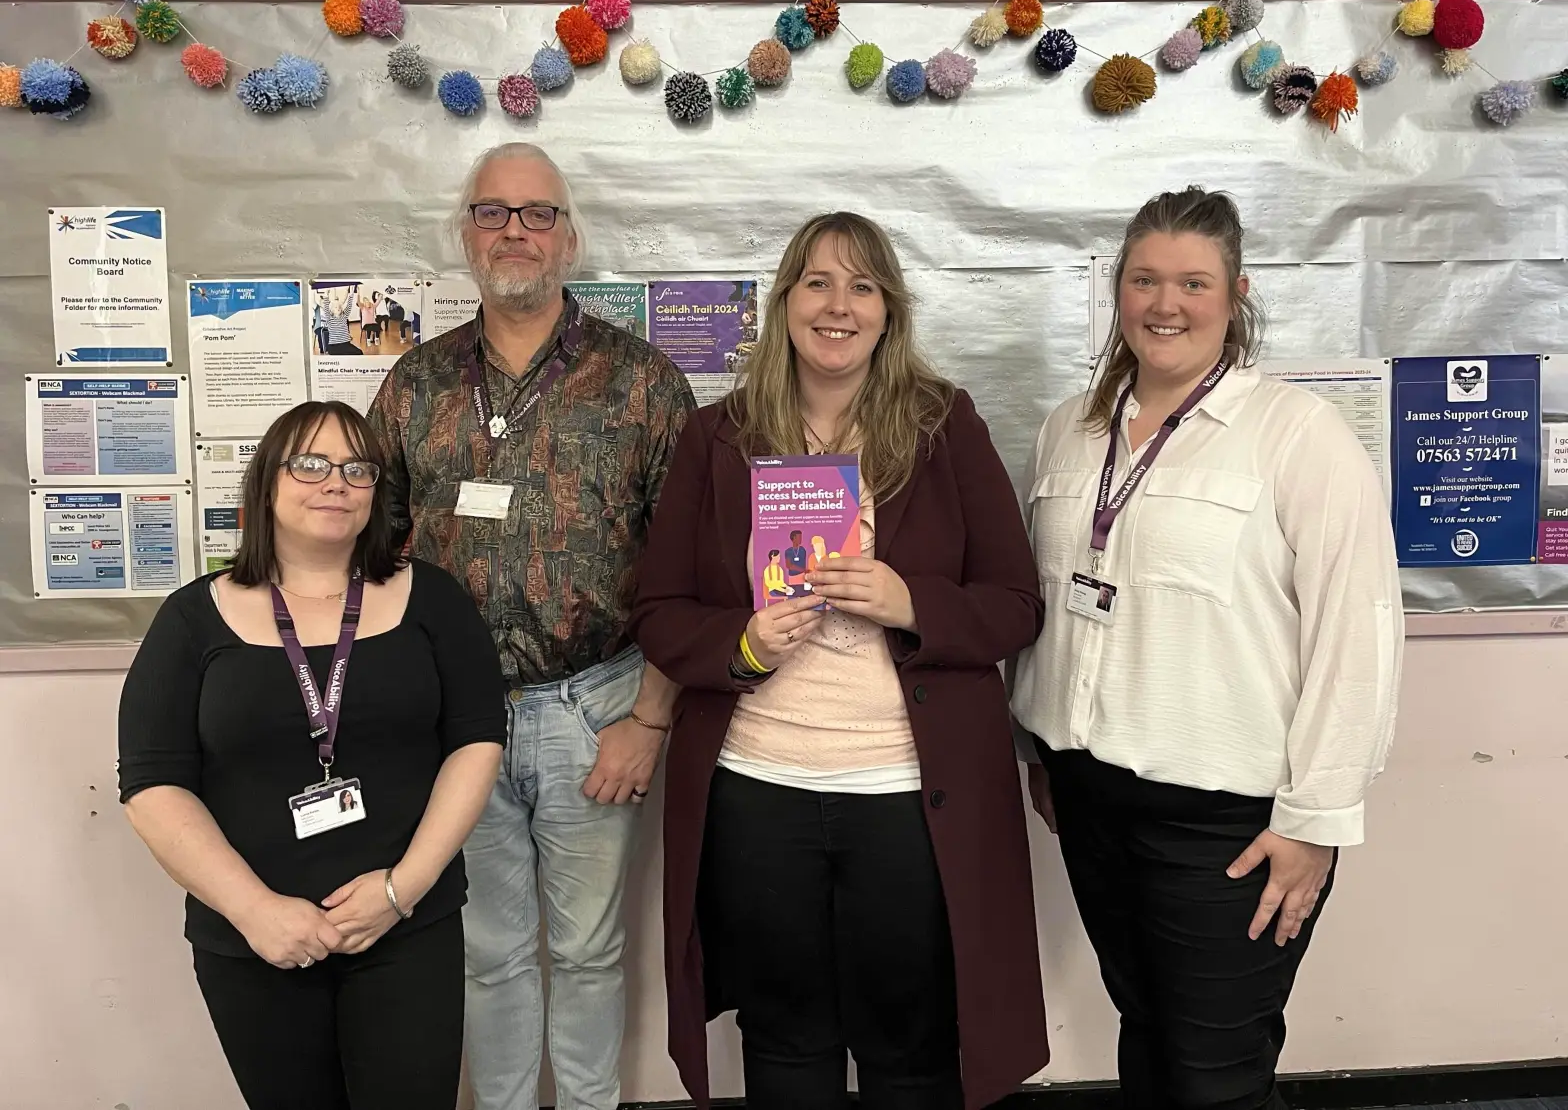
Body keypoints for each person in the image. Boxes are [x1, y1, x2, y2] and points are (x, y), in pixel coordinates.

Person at [631, 211, 1048, 1110]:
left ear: (889, 312)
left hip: (906, 799)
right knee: (785, 1041)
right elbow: (659, 611)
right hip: (758, 788)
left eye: (863, 286)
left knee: (912, 1046)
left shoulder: (943, 427)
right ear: (783, 303)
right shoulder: (719, 439)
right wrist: (739, 644)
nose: (839, 305)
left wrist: (912, 603)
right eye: (817, 282)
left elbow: (1017, 604)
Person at [1011, 187, 1403, 1110]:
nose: (1165, 303)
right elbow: (1049, 605)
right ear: (1117, 291)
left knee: (1216, 1075)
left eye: (1193, 281)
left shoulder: (1297, 436)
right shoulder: (1069, 428)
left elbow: (1360, 636)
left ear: (1237, 293)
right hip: (1089, 796)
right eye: (1145, 279)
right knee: (1145, 1033)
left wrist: (1317, 820)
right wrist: (1038, 747)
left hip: (1232, 822)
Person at [366, 142, 694, 1110]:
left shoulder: (642, 383)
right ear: (464, 232)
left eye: (536, 212)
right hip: (450, 718)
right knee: (487, 948)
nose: (514, 230)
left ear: (568, 235)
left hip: (594, 705)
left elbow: (684, 570)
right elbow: (368, 550)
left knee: (589, 948)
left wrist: (650, 717)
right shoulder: (413, 385)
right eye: (492, 212)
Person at [117, 399, 507, 1110]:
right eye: (311, 463)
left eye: (357, 467)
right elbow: (152, 785)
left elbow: (477, 740)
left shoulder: (433, 600)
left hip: (407, 925)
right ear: (267, 481)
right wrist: (257, 909)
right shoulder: (190, 619)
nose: (336, 481)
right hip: (254, 939)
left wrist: (401, 888)